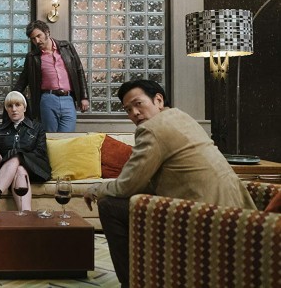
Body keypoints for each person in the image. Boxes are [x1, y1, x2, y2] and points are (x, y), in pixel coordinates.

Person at [83, 79, 256, 288]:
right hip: (239, 213)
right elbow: (146, 181)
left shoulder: (151, 130)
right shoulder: (182, 117)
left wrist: (96, 189)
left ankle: (132, 283)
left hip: (203, 217)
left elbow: (126, 186)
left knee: (109, 205)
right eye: (128, 110)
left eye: (138, 104)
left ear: (158, 100)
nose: (134, 113)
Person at [13, 20, 89, 133]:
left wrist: (84, 97)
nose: (37, 41)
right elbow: (23, 79)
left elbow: (79, 70)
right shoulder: (32, 57)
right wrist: (12, 97)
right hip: (47, 99)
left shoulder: (66, 47)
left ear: (47, 32)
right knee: (49, 136)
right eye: (33, 39)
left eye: (39, 36)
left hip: (68, 98)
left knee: (67, 137)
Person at [0, 91, 51, 211]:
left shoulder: (37, 128)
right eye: (10, 106)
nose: (14, 109)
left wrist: (18, 158)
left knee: (17, 157)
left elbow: (40, 153)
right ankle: (26, 215)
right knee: (19, 169)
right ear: (6, 109)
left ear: (25, 108)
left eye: (17, 105)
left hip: (36, 169)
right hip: (9, 172)